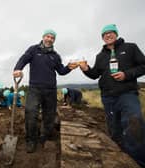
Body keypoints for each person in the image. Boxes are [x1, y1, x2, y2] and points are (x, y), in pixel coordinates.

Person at [79, 24, 145, 167]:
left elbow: (143, 65)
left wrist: (126, 74)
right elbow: (95, 74)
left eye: (111, 33)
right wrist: (85, 69)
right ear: (102, 37)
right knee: (115, 130)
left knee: (134, 122)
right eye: (105, 34)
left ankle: (138, 161)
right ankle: (120, 159)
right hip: (108, 97)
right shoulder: (100, 56)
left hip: (127, 94)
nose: (108, 36)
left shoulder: (130, 48)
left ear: (116, 34)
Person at [13, 29, 76, 153]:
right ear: (43, 37)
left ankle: (44, 137)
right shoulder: (33, 49)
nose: (49, 39)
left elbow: (61, 71)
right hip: (34, 89)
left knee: (49, 115)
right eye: (47, 36)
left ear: (54, 40)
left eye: (52, 38)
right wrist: (17, 69)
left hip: (50, 90)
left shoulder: (55, 56)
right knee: (31, 112)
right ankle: (31, 140)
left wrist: (69, 67)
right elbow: (23, 59)